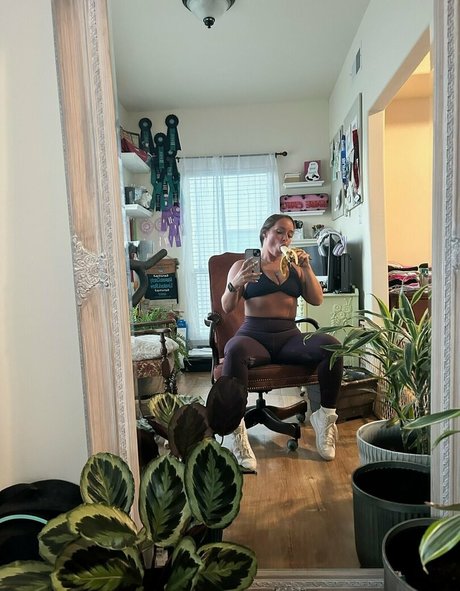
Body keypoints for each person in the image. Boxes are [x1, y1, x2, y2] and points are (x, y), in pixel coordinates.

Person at [221, 214, 344, 471]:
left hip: (289, 337)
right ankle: (236, 429)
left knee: (331, 347)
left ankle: (325, 418)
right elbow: (227, 306)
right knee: (234, 348)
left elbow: (317, 300)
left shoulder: (295, 268)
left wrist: (307, 268)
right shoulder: (243, 266)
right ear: (265, 233)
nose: (285, 239)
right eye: (279, 232)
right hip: (253, 336)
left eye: (289, 234)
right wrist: (236, 284)